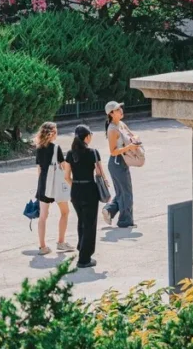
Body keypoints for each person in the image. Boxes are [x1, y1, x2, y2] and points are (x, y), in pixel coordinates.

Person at [63, 124, 107, 269]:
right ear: (87, 137)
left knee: (81, 220)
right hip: (89, 189)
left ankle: (82, 247)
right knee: (90, 224)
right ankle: (84, 258)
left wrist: (75, 185)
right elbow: (100, 173)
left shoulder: (70, 153)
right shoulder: (93, 152)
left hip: (75, 190)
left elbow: (66, 176)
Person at [33, 121, 73, 255]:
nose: (57, 134)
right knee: (65, 212)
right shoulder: (56, 148)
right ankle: (61, 242)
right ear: (51, 133)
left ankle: (42, 246)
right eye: (56, 131)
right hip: (56, 185)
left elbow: (39, 169)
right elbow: (64, 167)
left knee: (43, 216)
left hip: (44, 184)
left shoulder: (38, 148)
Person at [102, 101, 139, 229]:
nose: (121, 110)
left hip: (123, 161)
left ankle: (109, 210)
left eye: (120, 108)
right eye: (117, 109)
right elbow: (112, 151)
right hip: (117, 162)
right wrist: (129, 147)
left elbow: (132, 134)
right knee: (126, 192)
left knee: (122, 192)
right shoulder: (112, 129)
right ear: (111, 114)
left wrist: (135, 139)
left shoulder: (121, 124)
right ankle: (125, 221)